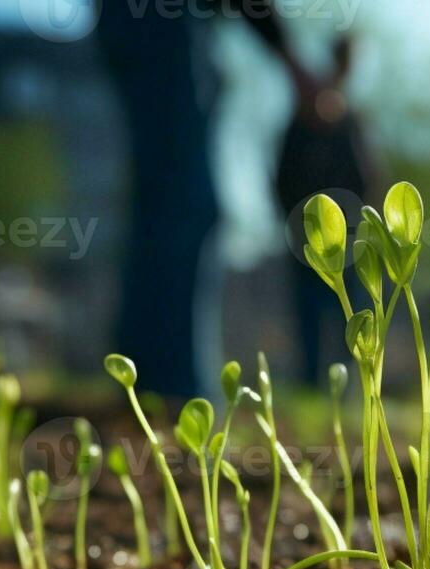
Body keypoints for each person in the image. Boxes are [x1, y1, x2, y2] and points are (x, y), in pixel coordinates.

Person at [98, 0, 327, 398]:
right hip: (159, 24)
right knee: (185, 204)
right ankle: (173, 386)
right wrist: (289, 56)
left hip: (156, 25)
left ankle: (149, 379)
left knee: (164, 202)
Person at [273, 37, 374, 386]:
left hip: (349, 241)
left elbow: (366, 179)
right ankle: (313, 386)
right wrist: (295, 225)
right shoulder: (301, 120)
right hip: (306, 242)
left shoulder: (350, 122)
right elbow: (282, 179)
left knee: (354, 318)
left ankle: (352, 389)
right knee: (311, 318)